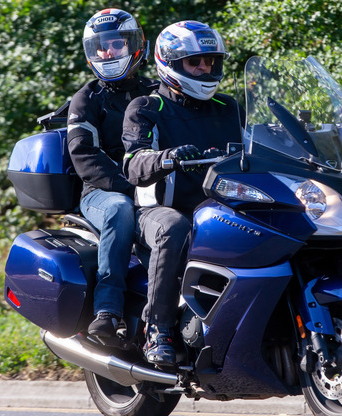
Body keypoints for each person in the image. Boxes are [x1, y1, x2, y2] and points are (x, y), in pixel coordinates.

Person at [122, 21, 244, 366]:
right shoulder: (147, 108)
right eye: (195, 62)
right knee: (174, 228)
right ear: (170, 63)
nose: (205, 68)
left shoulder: (229, 107)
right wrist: (167, 158)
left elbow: (262, 145)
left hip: (221, 206)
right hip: (158, 210)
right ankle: (158, 330)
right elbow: (133, 163)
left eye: (210, 61)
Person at [67, 8, 158, 339]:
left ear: (134, 45)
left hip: (159, 185)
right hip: (102, 193)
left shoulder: (158, 91)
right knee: (120, 210)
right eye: (101, 47)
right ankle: (108, 310)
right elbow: (84, 155)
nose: (108, 53)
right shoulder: (87, 98)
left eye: (116, 45)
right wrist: (134, 188)